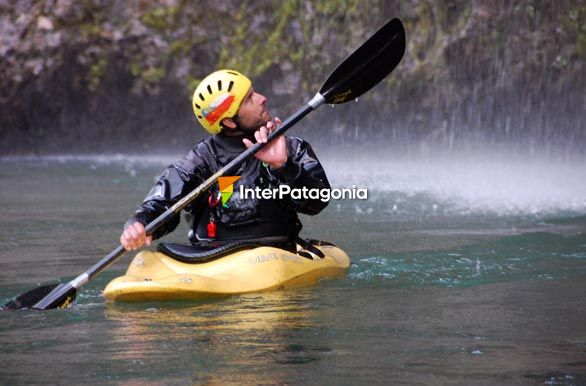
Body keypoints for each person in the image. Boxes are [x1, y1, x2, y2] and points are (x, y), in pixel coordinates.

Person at [120, 69, 330, 253]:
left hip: (277, 253)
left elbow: (318, 201)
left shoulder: (291, 148)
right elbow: (162, 202)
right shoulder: (200, 161)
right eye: (249, 99)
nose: (262, 98)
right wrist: (140, 224)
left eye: (253, 92)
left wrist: (284, 167)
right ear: (229, 121)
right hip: (212, 258)